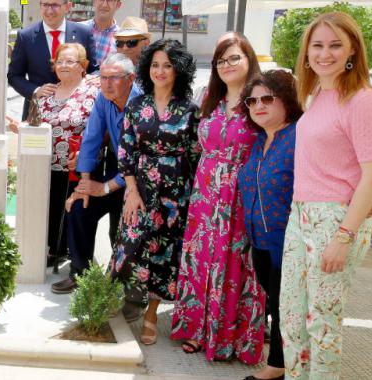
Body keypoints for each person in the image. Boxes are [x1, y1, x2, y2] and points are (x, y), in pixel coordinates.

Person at [281, 12, 372, 379]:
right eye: (318, 45)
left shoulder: (362, 99)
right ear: (307, 51)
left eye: (336, 45)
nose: (325, 53)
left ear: (353, 49)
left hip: (334, 221)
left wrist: (344, 236)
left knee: (322, 327)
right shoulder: (318, 94)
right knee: (292, 320)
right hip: (301, 215)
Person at [170, 32, 265, 364]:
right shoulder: (208, 96)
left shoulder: (261, 98)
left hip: (242, 193)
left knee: (237, 262)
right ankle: (197, 329)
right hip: (205, 191)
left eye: (234, 57)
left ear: (249, 59)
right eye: (221, 60)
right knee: (202, 259)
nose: (227, 65)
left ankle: (231, 337)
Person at [107, 39, 200, 346]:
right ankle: (110, 302)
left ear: (179, 70)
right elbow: (126, 152)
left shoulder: (189, 110)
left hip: (175, 193)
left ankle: (151, 314)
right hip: (140, 189)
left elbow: (195, 154)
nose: (161, 71)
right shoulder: (137, 106)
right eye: (156, 64)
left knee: (164, 253)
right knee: (129, 247)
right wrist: (131, 190)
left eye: (168, 65)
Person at [47, 53, 142, 294]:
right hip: (115, 164)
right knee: (79, 207)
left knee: (121, 225)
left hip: (141, 176)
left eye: (114, 78)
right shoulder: (104, 98)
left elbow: (141, 160)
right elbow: (91, 138)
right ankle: (80, 273)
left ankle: (124, 282)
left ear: (131, 79)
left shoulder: (144, 103)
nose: (107, 84)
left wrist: (105, 187)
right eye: (103, 78)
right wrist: (85, 184)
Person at [6, 43, 98, 274]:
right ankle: (53, 250)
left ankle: (73, 258)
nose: (64, 65)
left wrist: (86, 154)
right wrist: (21, 127)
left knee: (73, 212)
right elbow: (35, 123)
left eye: (70, 61)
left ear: (83, 66)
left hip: (76, 167)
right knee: (51, 209)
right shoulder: (46, 94)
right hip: (45, 164)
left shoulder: (92, 92)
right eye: (60, 61)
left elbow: (99, 129)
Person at [237, 71, 303, 380]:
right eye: (252, 100)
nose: (258, 106)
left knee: (283, 305)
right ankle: (286, 360)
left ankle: (277, 366)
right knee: (276, 303)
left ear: (287, 100)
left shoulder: (299, 136)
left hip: (289, 241)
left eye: (267, 98)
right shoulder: (261, 139)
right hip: (259, 240)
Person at [8, 0, 98, 120]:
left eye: (55, 5)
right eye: (45, 5)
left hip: (77, 114)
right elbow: (14, 76)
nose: (49, 10)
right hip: (37, 113)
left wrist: (87, 84)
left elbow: (94, 70)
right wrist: (35, 91)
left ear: (67, 6)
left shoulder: (84, 33)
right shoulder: (26, 37)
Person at [81, 0, 122, 64]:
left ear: (118, 5)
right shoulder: (78, 29)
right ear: (94, 2)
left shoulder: (122, 38)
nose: (104, 5)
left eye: (110, 0)